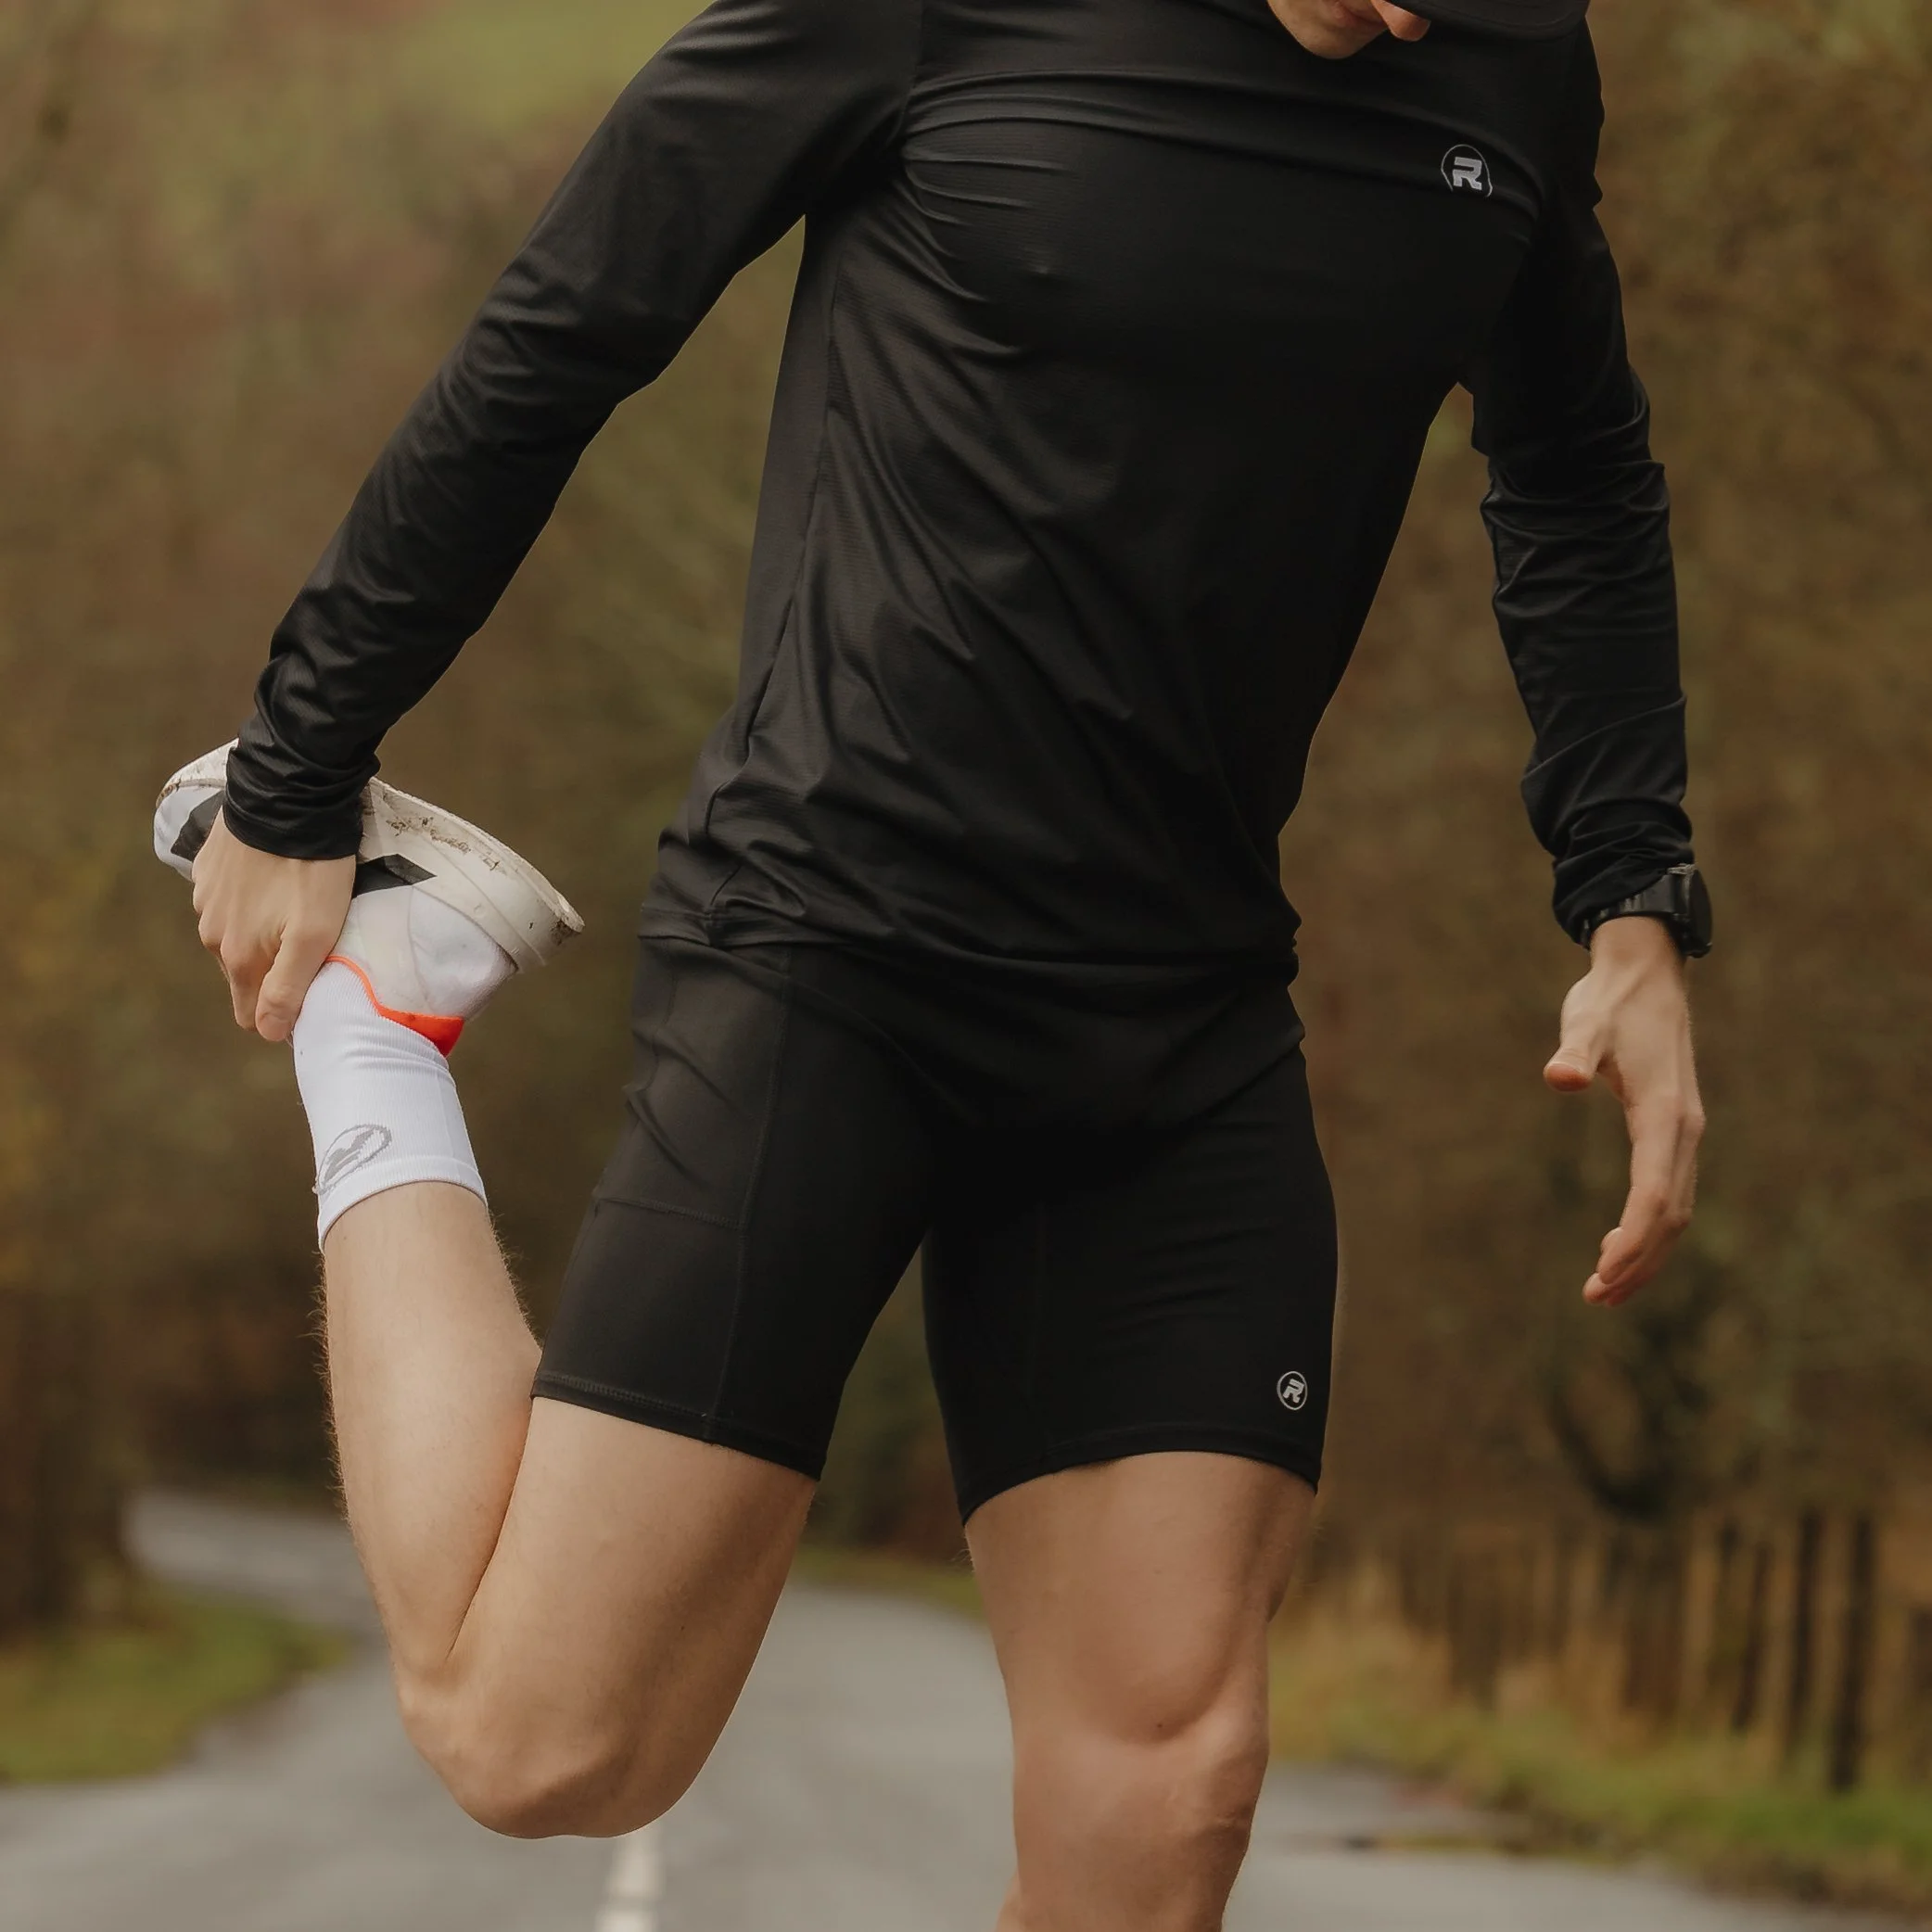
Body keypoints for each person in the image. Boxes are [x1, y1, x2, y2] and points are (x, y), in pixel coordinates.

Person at [155, 0, 1709, 1920]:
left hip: (1177, 1024)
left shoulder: (1511, 68)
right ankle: (383, 1018)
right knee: (545, 1743)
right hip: (833, 955)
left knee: (1174, 1779)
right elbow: (567, 328)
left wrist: (1628, 904)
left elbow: (1573, 478)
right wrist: (302, 766)